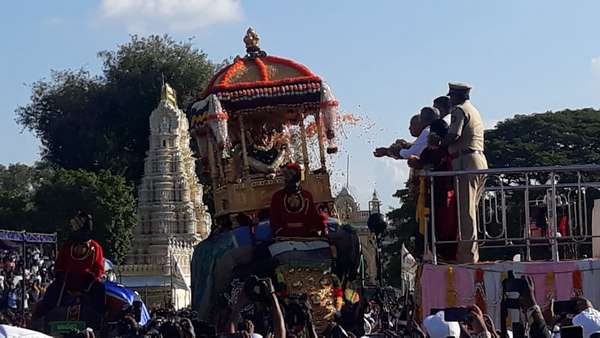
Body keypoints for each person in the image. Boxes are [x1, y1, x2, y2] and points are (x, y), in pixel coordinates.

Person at [442, 82, 488, 263]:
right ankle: (470, 253)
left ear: (456, 97)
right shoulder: (474, 110)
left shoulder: (459, 110)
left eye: (451, 97)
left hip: (466, 161)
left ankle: (467, 257)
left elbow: (454, 134)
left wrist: (439, 143)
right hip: (477, 160)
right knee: (470, 211)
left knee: (465, 212)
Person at [35, 211, 106, 317]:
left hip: (88, 283)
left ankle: (100, 318)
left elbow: (99, 267)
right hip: (67, 282)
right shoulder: (68, 246)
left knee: (100, 290)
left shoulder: (96, 247)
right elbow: (59, 264)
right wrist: (60, 275)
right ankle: (43, 318)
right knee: (51, 293)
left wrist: (91, 278)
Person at [270, 163, 326, 237]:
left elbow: (313, 217)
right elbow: (274, 220)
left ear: (299, 178)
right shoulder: (278, 196)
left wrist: (315, 230)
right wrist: (281, 232)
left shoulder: (306, 196)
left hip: (306, 235)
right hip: (285, 236)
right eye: (288, 176)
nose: (291, 180)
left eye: (293, 176)